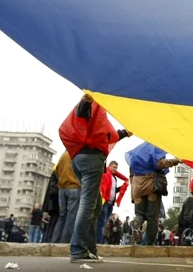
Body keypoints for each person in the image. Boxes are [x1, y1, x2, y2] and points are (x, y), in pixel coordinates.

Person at [59, 93, 132, 263]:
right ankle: (78, 250)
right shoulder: (93, 104)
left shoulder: (96, 118)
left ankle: (90, 248)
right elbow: (82, 114)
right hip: (92, 158)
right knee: (88, 204)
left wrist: (125, 133)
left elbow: (107, 134)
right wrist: (86, 101)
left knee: (96, 205)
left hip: (78, 158)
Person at [125, 142, 180, 245]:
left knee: (139, 214)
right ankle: (149, 244)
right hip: (151, 186)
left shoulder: (136, 152)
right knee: (152, 218)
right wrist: (175, 161)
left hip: (137, 186)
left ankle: (136, 225)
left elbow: (131, 174)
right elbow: (160, 163)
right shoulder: (155, 148)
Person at [96, 161, 129, 244]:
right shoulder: (106, 174)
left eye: (116, 168)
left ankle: (100, 241)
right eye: (114, 167)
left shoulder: (114, 177)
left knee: (104, 223)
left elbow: (113, 190)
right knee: (101, 222)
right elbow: (104, 187)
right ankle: (98, 242)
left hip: (111, 203)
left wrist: (122, 187)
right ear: (109, 166)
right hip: (105, 202)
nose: (115, 169)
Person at [53, 151, 81, 243]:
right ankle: (65, 243)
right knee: (71, 217)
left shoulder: (63, 155)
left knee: (62, 216)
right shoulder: (77, 154)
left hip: (62, 188)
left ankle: (55, 242)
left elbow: (56, 170)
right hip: (74, 187)